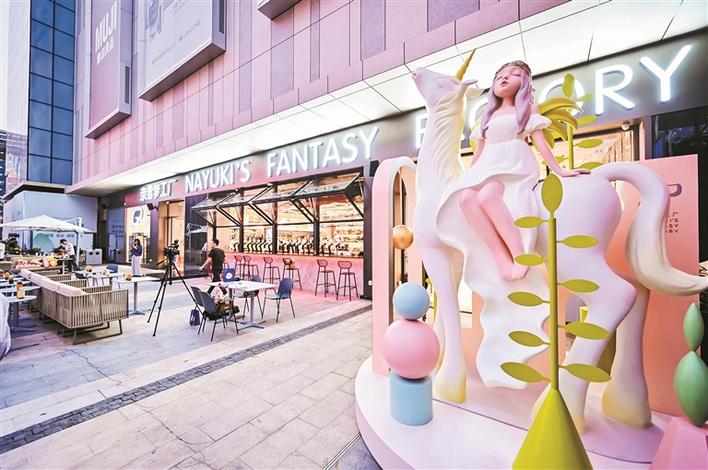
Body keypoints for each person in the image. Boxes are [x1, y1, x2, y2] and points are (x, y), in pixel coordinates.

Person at [437, 60, 586, 282]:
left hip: (514, 163)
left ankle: (519, 255)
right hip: (488, 164)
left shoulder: (527, 110)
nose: (504, 78)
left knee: (488, 195)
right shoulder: (488, 116)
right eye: (499, 76)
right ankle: (500, 256)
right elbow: (478, 153)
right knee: (466, 197)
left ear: (525, 83)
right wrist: (467, 177)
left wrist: (559, 170)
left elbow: (540, 144)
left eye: (513, 74)